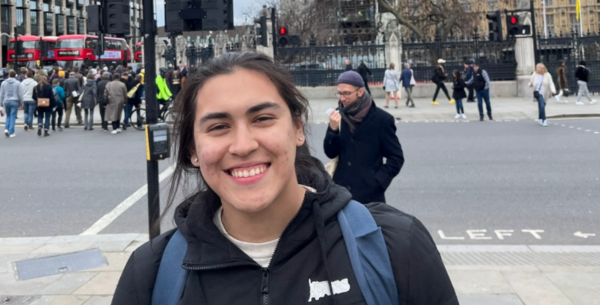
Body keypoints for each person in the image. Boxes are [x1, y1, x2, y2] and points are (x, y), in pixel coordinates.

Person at [112, 52, 457, 304]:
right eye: (218, 127)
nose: (244, 145)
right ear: (193, 150)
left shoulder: (397, 247)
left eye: (262, 118)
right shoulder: (150, 274)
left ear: (297, 128)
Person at [324, 70, 404, 204]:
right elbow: (330, 152)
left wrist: (377, 182)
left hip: (369, 197)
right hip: (341, 194)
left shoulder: (382, 120)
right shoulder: (339, 114)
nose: (342, 98)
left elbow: (396, 158)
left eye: (347, 93)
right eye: (340, 93)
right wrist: (333, 129)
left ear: (360, 92)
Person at [0, 70, 24, 137]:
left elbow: (1, 94)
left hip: (6, 101)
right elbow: (20, 94)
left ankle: (6, 129)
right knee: (13, 116)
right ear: (15, 75)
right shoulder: (18, 83)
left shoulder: (3, 83)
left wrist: (1, 102)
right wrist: (22, 102)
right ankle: (11, 132)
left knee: (8, 116)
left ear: (8, 75)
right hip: (14, 101)